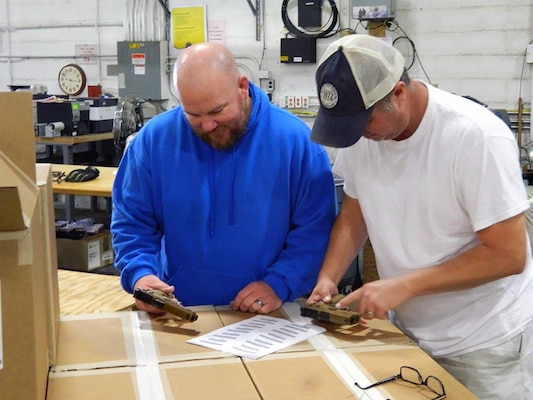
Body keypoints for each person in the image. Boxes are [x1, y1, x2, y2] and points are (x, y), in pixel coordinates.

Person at [307, 34, 533, 399]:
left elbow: (508, 255)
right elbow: (354, 212)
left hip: (484, 342)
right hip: (409, 333)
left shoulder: (476, 138)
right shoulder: (364, 138)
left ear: (398, 92)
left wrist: (404, 285)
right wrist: (328, 278)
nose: (361, 134)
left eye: (365, 121)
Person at [111, 42, 336, 315]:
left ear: (242, 87)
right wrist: (141, 276)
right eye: (193, 115)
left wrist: (279, 283)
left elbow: (314, 231)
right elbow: (132, 222)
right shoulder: (153, 141)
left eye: (217, 111)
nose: (207, 126)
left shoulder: (297, 143)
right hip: (180, 313)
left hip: (269, 314)